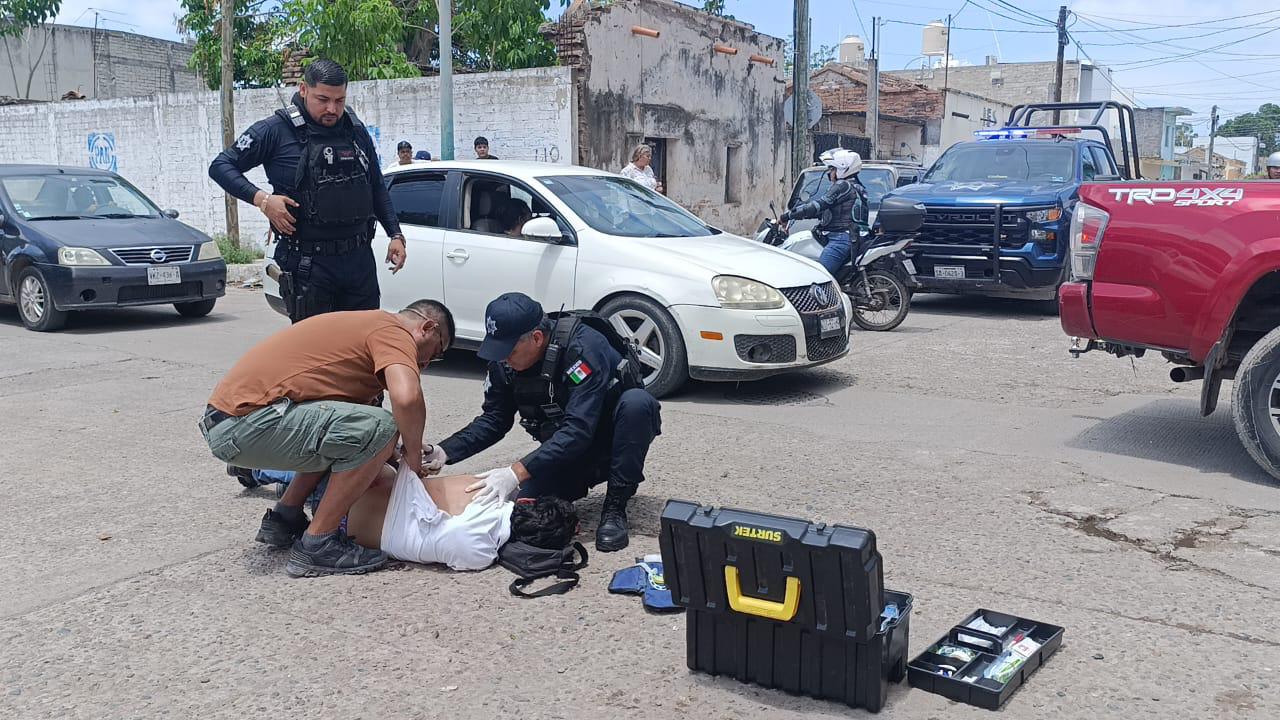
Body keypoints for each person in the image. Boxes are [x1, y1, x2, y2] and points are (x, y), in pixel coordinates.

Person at [199, 300, 454, 577]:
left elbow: (353, 437)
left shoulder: (364, 333)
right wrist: (413, 460)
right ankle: (318, 544)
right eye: (435, 352)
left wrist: (396, 452)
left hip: (234, 424)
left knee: (354, 435)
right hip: (245, 424)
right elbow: (407, 398)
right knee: (383, 426)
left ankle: (285, 518)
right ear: (427, 328)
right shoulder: (393, 330)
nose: (426, 364)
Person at [424, 293, 661, 552]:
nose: (503, 359)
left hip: (608, 442)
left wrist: (516, 471)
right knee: (515, 507)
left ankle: (616, 506)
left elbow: (579, 430)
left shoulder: (583, 348)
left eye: (509, 351)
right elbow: (494, 420)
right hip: (563, 452)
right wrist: (444, 451)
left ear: (537, 338)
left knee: (637, 403)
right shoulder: (505, 363)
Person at [208, 58, 408, 325]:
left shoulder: (355, 131)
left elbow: (375, 186)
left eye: (339, 100)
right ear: (303, 89)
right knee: (316, 355)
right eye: (323, 99)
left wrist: (395, 233)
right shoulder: (275, 130)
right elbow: (221, 166)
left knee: (363, 348)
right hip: (309, 265)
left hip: (359, 260)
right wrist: (263, 200)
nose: (332, 108)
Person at [346, 463, 512, 571]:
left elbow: (407, 407)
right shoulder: (476, 548)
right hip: (366, 525)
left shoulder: (477, 541)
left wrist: (411, 453)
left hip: (360, 514)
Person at [779, 148, 869, 276]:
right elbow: (823, 211)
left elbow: (818, 206)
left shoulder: (842, 185)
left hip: (840, 239)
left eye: (832, 169)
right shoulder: (858, 186)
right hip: (850, 236)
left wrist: (786, 216)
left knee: (819, 278)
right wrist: (797, 215)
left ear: (842, 168)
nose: (830, 173)